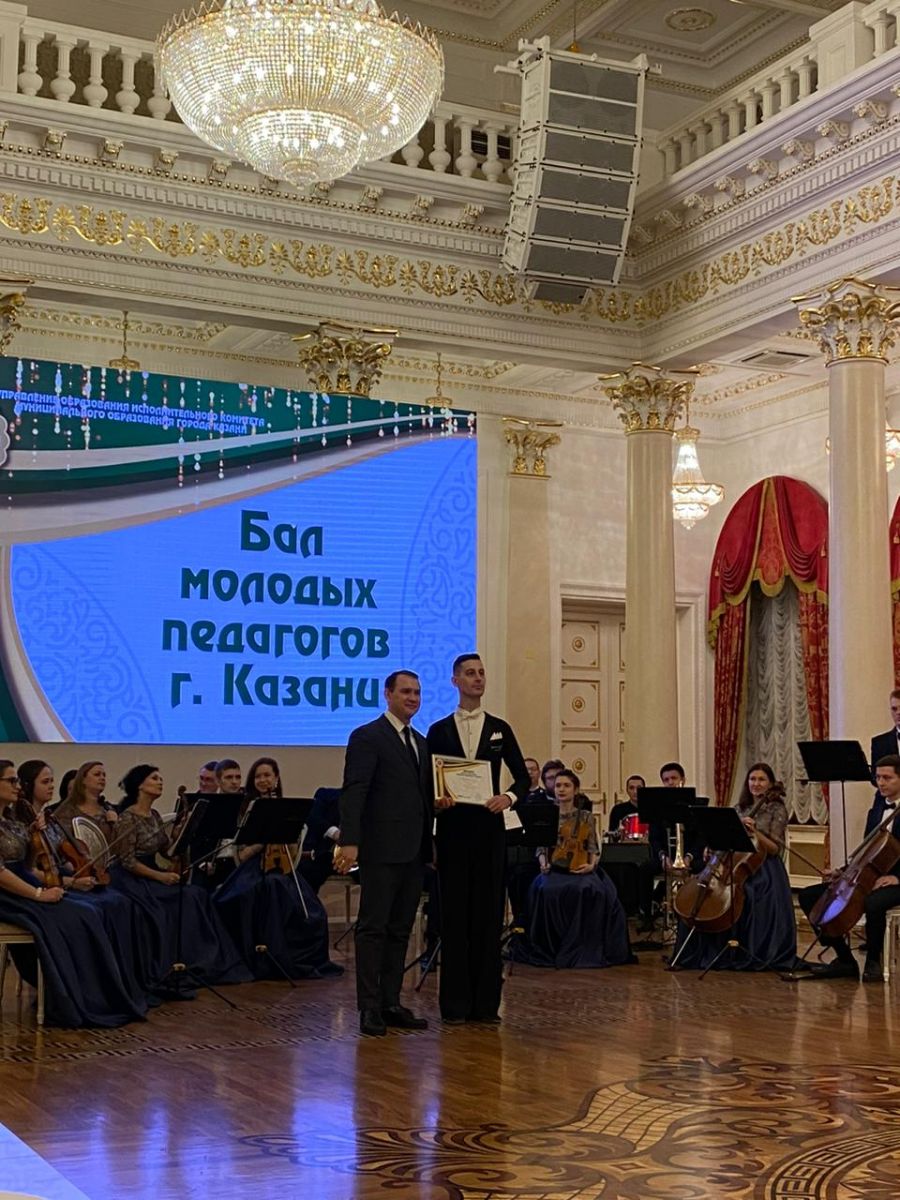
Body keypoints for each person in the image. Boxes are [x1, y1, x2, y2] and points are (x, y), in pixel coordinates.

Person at [0, 760, 149, 1027]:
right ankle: (74, 997)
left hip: (23, 881)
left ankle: (100, 993)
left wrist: (34, 837)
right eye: (11, 780)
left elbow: (28, 865)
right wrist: (38, 894)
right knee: (82, 914)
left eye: (17, 780)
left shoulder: (11, 822)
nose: (17, 786)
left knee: (91, 910)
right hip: (9, 894)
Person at [427, 653, 530, 1024]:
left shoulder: (500, 728)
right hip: (453, 831)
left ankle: (486, 1006)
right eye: (470, 673)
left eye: (482, 673)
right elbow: (428, 780)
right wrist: (436, 801)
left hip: (489, 831)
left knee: (488, 916)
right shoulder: (438, 730)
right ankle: (455, 1006)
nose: (478, 678)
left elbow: (523, 777)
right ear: (455, 680)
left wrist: (508, 798)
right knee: (454, 916)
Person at [338, 669, 434, 1036]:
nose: (413, 698)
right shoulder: (367, 736)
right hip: (380, 849)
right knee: (373, 929)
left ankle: (391, 1002)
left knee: (400, 929)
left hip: (414, 851)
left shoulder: (420, 742)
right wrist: (350, 840)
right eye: (406, 691)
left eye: (417, 693)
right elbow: (355, 790)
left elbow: (421, 798)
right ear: (388, 694)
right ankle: (368, 1007)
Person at [109, 764, 249, 992]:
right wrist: (161, 876)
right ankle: (172, 964)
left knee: (196, 895)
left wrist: (180, 834)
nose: (160, 781)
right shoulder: (127, 817)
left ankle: (201, 962)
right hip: (131, 878)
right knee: (174, 902)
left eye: (160, 778)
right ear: (140, 785)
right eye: (154, 778)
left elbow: (166, 851)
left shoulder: (154, 815)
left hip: (152, 873)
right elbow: (127, 861)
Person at [213, 757, 341, 981]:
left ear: (276, 778)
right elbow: (241, 855)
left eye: (267, 775)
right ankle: (266, 956)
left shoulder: (287, 808)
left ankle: (290, 958)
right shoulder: (245, 809)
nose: (263, 780)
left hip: (282, 869)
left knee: (313, 912)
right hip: (251, 870)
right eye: (258, 776)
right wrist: (263, 839)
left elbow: (292, 854)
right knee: (267, 890)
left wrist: (287, 835)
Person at [671, 762, 796, 972]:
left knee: (748, 894)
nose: (756, 784)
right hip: (732, 862)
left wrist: (756, 832)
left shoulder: (777, 809)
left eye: (762, 779)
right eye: (752, 779)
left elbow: (775, 848)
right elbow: (726, 837)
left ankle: (741, 952)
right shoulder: (739, 808)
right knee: (701, 893)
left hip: (762, 868)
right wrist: (712, 845)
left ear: (770, 783)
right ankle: (698, 952)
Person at [513, 769, 632, 969]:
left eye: (566, 785)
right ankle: (550, 946)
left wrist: (591, 865)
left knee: (591, 890)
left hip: (581, 866)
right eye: (558, 785)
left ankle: (585, 945)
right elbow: (541, 846)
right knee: (543, 889)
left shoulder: (586, 816)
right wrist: (543, 862)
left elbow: (593, 846)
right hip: (555, 868)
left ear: (575, 790)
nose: (561, 789)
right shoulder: (547, 814)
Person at [797, 754, 900, 982]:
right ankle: (845, 959)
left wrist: (897, 879)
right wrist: (844, 871)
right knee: (809, 896)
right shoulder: (876, 811)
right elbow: (867, 851)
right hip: (869, 877)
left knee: (873, 902)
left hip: (895, 881)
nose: (881, 783)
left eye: (887, 778)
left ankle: (873, 961)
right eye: (878, 777)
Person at [54, 761, 118, 845]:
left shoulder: (107, 810)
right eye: (97, 774)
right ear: (83, 779)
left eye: (104, 775)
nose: (102, 778)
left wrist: (115, 824)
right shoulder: (67, 810)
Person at [298, 786, 342, 894]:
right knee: (306, 871)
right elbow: (313, 817)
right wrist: (335, 833)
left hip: (361, 859)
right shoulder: (326, 795)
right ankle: (307, 904)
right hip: (326, 855)